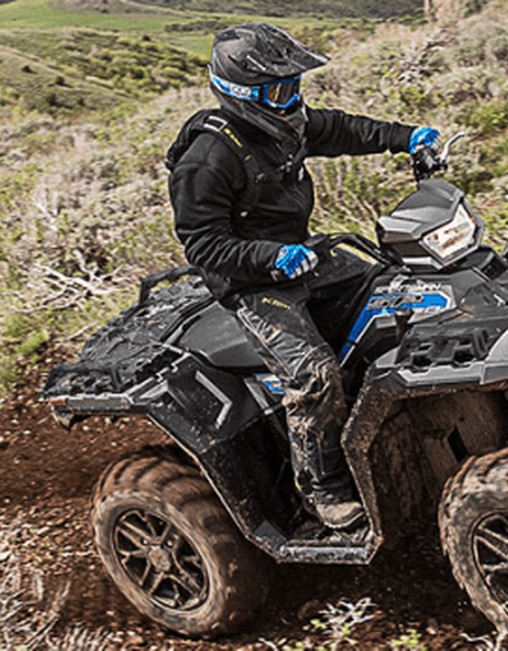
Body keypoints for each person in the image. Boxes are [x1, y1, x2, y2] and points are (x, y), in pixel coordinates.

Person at [167, 22, 440, 530]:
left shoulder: (286, 123)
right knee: (314, 375)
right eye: (280, 89)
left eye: (294, 85)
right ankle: (321, 486)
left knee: (398, 289)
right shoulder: (208, 160)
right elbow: (202, 244)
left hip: (300, 255)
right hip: (253, 284)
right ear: (243, 93)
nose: (292, 97)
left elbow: (340, 129)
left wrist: (405, 138)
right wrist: (271, 257)